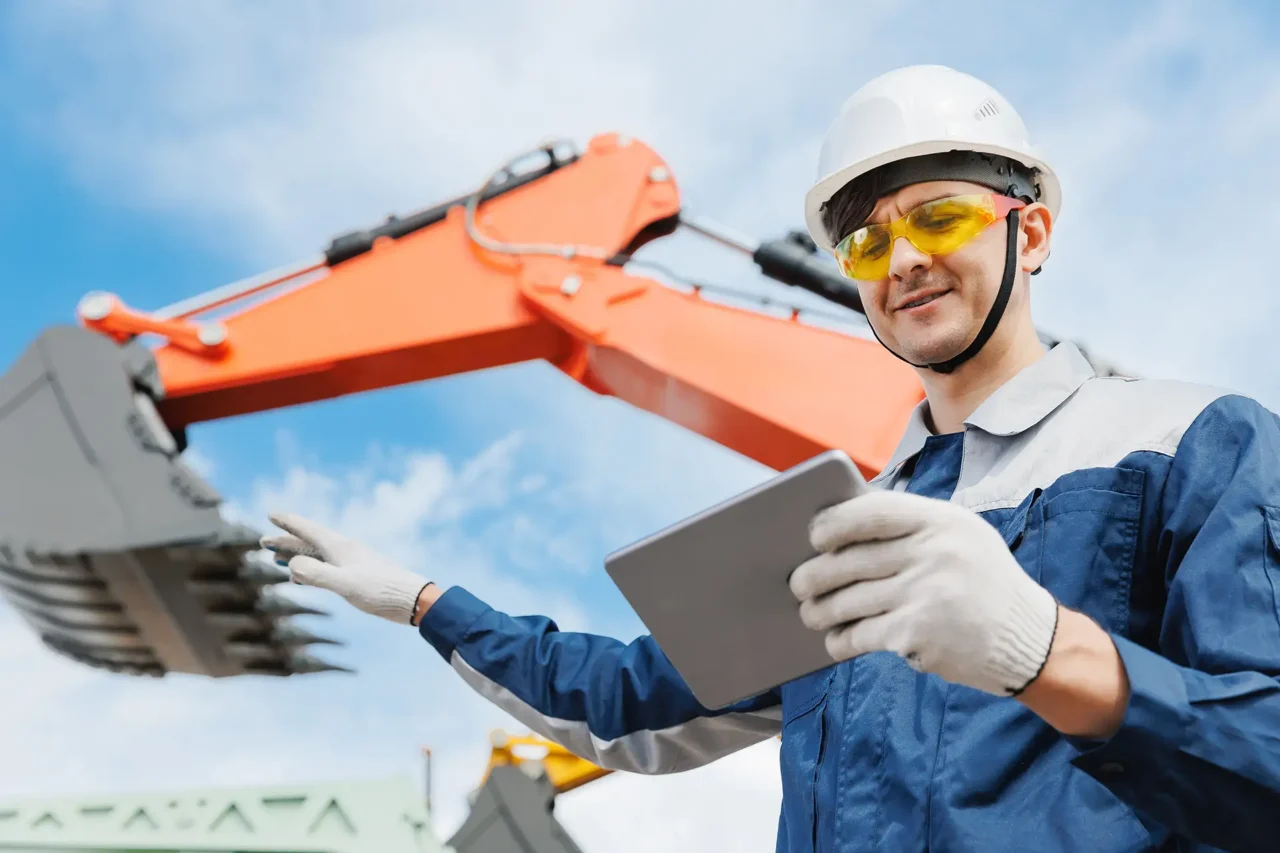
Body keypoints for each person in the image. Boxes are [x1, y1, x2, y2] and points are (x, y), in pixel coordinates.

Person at [261, 64, 1280, 852]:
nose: (906, 260)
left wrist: (1041, 651)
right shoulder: (837, 531)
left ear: (1035, 231)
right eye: (868, 244)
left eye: (939, 216)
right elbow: (628, 706)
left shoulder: (1186, 443)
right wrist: (426, 602)